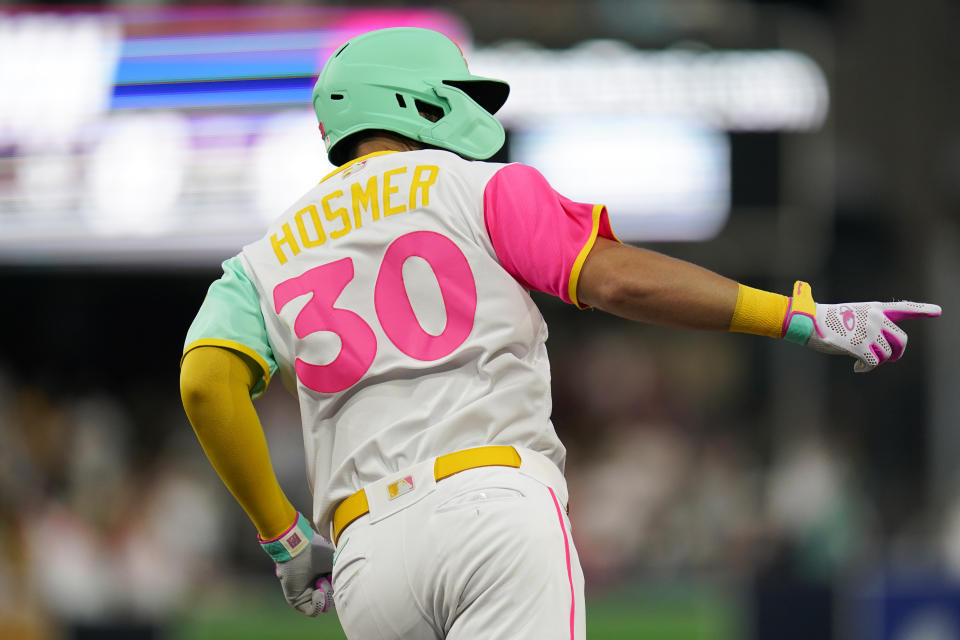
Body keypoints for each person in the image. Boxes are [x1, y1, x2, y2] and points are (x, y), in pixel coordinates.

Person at [179, 27, 941, 639]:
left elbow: (204, 382)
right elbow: (619, 279)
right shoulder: (481, 187)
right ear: (419, 102)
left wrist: (282, 536)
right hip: (493, 510)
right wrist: (798, 317)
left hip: (367, 553)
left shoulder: (264, 256)